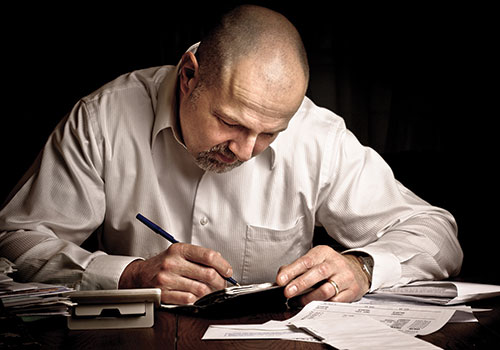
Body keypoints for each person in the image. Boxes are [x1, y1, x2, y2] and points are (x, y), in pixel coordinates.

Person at [0, 5, 462, 306]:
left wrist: (362, 266)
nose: (244, 151)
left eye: (269, 134)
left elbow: (436, 232)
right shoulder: (103, 119)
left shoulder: (316, 135)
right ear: (188, 76)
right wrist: (128, 274)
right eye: (231, 122)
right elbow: (15, 238)